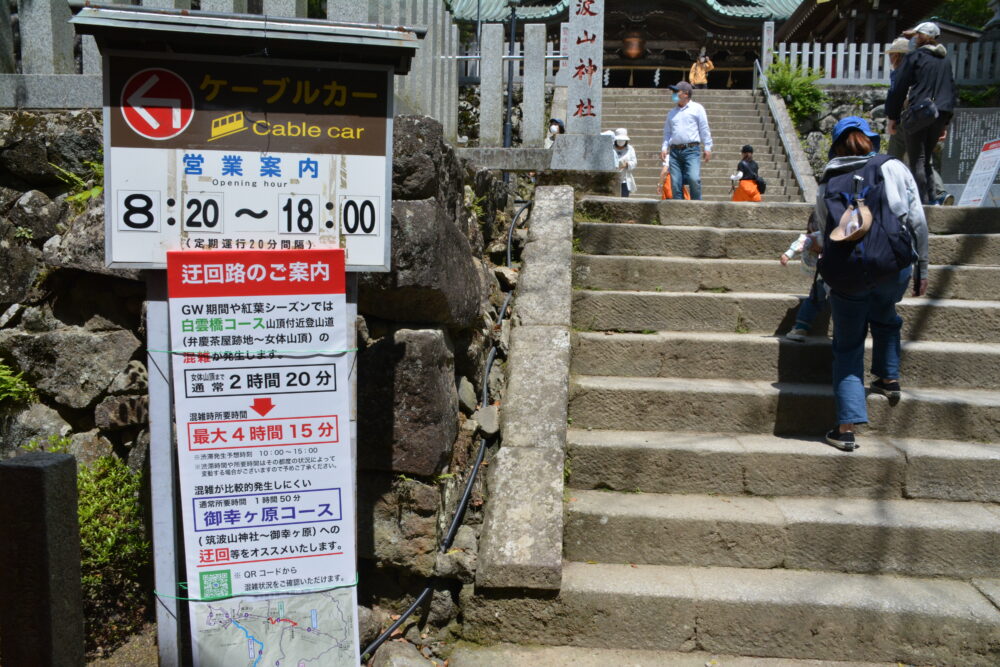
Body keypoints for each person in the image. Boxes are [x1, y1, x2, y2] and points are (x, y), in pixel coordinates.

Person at [816, 117, 928, 452]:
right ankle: (888, 377)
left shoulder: (828, 180)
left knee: (848, 347)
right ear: (870, 140)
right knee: (885, 313)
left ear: (836, 146)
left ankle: (846, 429)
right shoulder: (891, 167)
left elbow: (825, 231)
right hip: (891, 268)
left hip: (848, 274)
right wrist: (922, 266)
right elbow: (915, 219)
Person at [885, 22, 957, 204]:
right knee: (925, 160)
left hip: (920, 112)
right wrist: (945, 122)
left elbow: (899, 88)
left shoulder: (915, 57)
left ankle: (923, 205)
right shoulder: (945, 60)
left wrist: (892, 116)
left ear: (921, 37)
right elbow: (951, 90)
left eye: (917, 35)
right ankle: (932, 199)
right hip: (940, 114)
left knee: (917, 159)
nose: (914, 38)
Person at [659, 81, 712, 201]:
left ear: (686, 94)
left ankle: (697, 205)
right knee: (676, 183)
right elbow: (667, 133)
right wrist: (664, 147)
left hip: (691, 149)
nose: (673, 94)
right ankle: (678, 209)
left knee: (694, 178)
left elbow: (704, 128)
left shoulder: (697, 108)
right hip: (675, 151)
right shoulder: (672, 113)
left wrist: (707, 146)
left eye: (676, 92)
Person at [781, 211, 825, 341]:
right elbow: (802, 242)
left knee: (815, 299)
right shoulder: (822, 235)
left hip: (823, 275)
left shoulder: (815, 236)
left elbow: (801, 242)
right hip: (829, 274)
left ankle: (801, 327)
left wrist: (788, 254)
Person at [613, 128, 637, 197]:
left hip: (624, 179)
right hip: (613, 178)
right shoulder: (611, 148)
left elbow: (634, 162)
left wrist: (627, 164)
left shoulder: (630, 149)